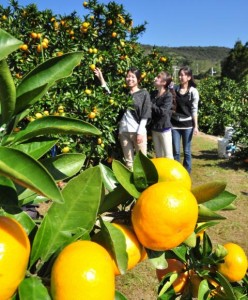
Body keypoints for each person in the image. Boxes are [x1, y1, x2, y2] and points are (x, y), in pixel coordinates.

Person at [94, 67, 151, 169]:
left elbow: (145, 113)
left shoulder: (143, 93)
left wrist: (140, 131)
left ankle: (146, 184)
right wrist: (101, 79)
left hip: (137, 132)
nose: (130, 79)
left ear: (138, 79)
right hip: (124, 132)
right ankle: (130, 184)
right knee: (129, 162)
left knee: (143, 161)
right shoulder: (124, 93)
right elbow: (110, 95)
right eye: (128, 76)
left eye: (133, 77)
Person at [171, 66, 199, 173]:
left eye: (183, 75)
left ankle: (187, 171)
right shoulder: (175, 89)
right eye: (180, 74)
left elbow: (194, 109)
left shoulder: (193, 92)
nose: (180, 77)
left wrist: (195, 126)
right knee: (176, 151)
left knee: (187, 151)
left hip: (187, 125)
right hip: (175, 125)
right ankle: (177, 172)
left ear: (189, 77)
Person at [149, 71, 174, 159]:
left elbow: (162, 112)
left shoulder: (168, 96)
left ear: (164, 82)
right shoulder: (153, 94)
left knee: (168, 156)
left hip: (164, 129)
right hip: (155, 128)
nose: (155, 78)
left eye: (158, 77)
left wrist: (150, 105)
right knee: (158, 156)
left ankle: (170, 172)